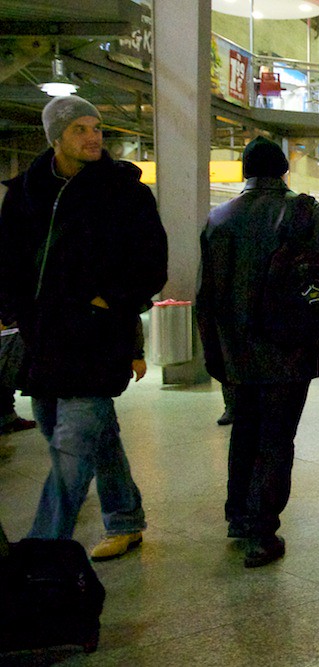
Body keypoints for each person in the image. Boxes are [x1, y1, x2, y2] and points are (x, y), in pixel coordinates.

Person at [0, 95, 167, 559]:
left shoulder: (124, 191)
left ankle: (39, 554)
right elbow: (8, 261)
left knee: (70, 452)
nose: (94, 137)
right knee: (91, 437)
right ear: (56, 137)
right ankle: (125, 518)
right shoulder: (25, 193)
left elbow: (152, 262)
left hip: (97, 341)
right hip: (43, 342)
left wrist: (110, 301)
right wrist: (15, 310)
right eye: (81, 129)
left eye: (98, 128)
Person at [197, 136, 319, 568]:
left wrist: (213, 352)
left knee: (244, 431)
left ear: (244, 172)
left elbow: (205, 294)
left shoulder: (218, 218)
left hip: (236, 350)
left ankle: (239, 516)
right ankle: (264, 529)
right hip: (290, 346)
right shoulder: (304, 211)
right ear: (282, 169)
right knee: (277, 437)